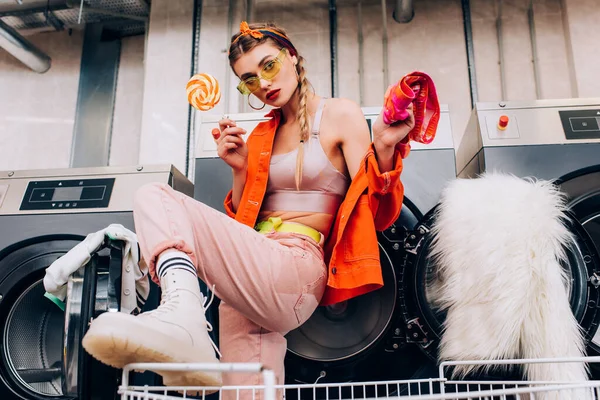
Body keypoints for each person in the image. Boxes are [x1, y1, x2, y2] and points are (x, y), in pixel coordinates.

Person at [82, 21, 414, 397]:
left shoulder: (338, 114)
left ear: (291, 56)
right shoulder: (259, 135)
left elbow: (373, 211)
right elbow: (243, 222)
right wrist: (240, 169)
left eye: (269, 66)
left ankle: (183, 314)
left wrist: (384, 147)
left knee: (153, 195)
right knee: (246, 391)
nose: (263, 84)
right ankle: (185, 318)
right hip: (256, 271)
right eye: (250, 80)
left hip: (296, 265)